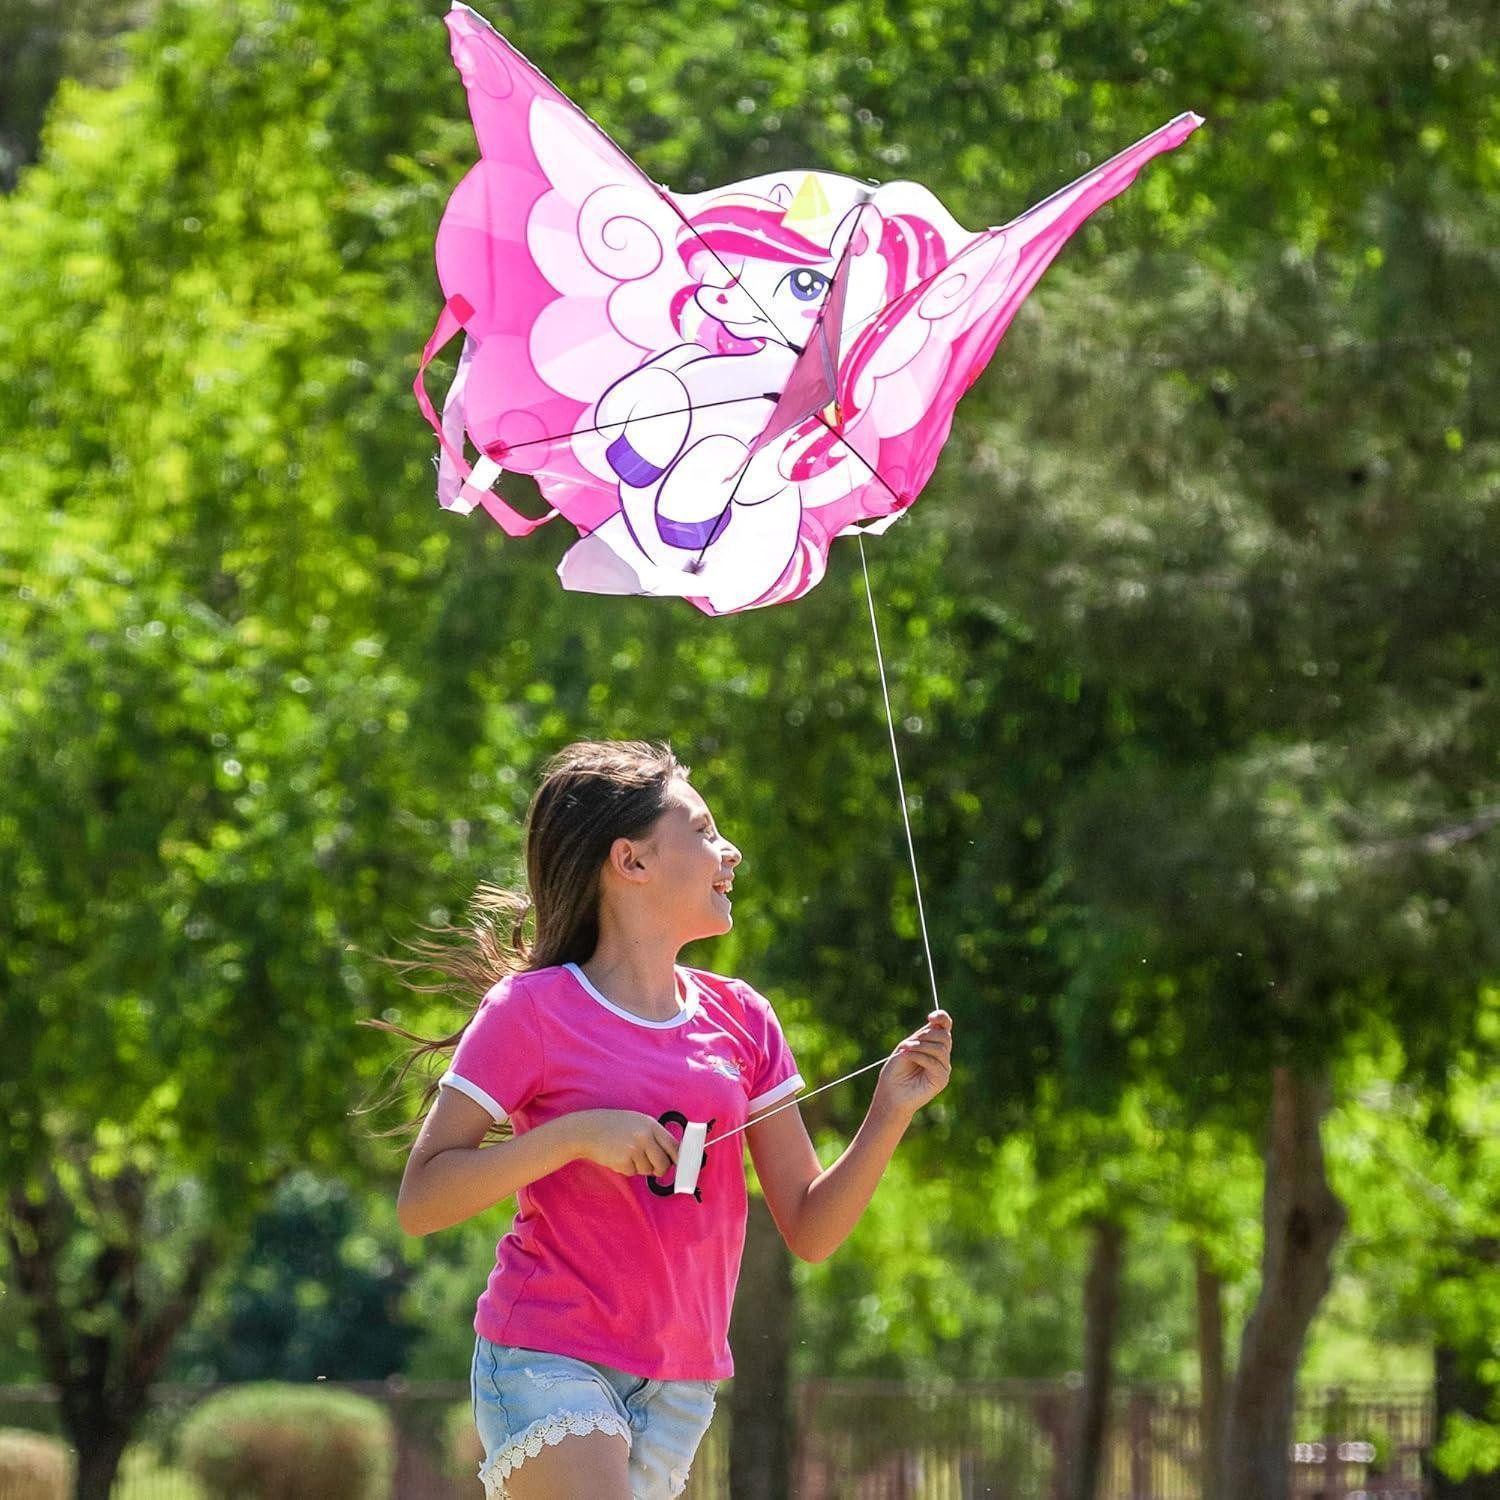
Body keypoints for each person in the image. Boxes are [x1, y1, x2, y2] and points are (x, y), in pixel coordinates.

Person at [388, 740, 953, 1500]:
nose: (731, 851)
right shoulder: (530, 1011)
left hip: (680, 1381)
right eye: (705, 831)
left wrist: (890, 1113)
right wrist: (578, 1136)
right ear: (632, 861)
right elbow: (421, 1201)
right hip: (547, 1354)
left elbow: (811, 1229)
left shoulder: (744, 1017)